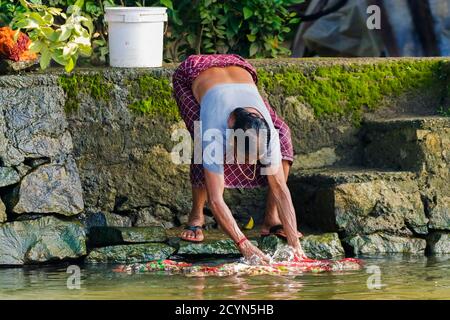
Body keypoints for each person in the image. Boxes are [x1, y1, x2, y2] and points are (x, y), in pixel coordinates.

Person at [172, 54, 306, 263]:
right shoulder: (214, 133)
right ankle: (197, 216)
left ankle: (271, 220)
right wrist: (244, 245)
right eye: (242, 157)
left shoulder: (266, 131)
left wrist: (294, 244)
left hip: (238, 66)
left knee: (285, 137)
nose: (249, 165)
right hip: (193, 72)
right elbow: (216, 200)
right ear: (231, 136)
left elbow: (280, 188)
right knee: (202, 150)